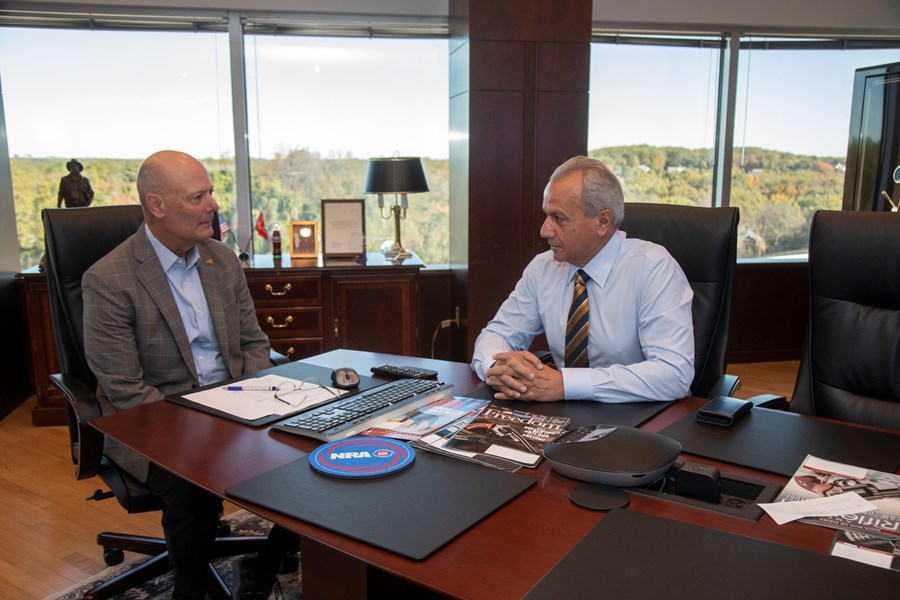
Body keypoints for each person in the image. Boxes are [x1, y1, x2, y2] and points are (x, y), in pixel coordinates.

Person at [82, 150, 294, 600]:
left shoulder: (222, 260)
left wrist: (258, 400)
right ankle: (191, 590)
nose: (212, 205)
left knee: (310, 452)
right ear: (157, 205)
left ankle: (264, 567)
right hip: (152, 421)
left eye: (210, 193)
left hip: (235, 405)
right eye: (197, 197)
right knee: (193, 486)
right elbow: (124, 388)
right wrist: (206, 429)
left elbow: (254, 344)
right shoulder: (108, 279)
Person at [470, 155, 694, 403]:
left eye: (559, 218)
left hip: (641, 414)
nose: (544, 230)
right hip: (563, 412)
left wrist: (566, 384)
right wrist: (499, 369)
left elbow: (674, 374)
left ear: (602, 222)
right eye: (546, 216)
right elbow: (498, 334)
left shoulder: (652, 267)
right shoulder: (543, 268)